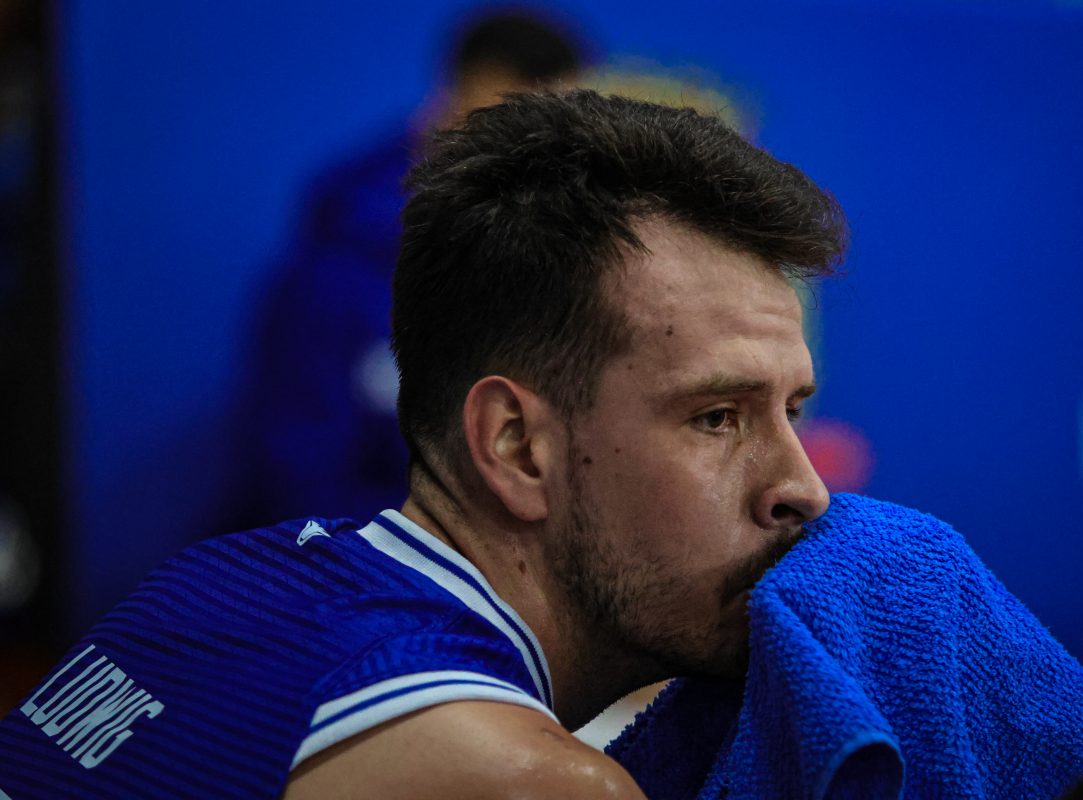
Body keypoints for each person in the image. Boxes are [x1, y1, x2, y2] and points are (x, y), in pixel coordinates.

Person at [0, 90, 843, 798]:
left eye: (794, 411)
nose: (803, 488)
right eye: (717, 417)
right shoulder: (530, 783)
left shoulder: (216, 581)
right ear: (516, 445)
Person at [235, 8, 589, 526]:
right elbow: (300, 485)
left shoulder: (557, 262)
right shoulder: (336, 274)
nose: (542, 154)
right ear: (457, 104)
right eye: (515, 123)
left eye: (559, 130)